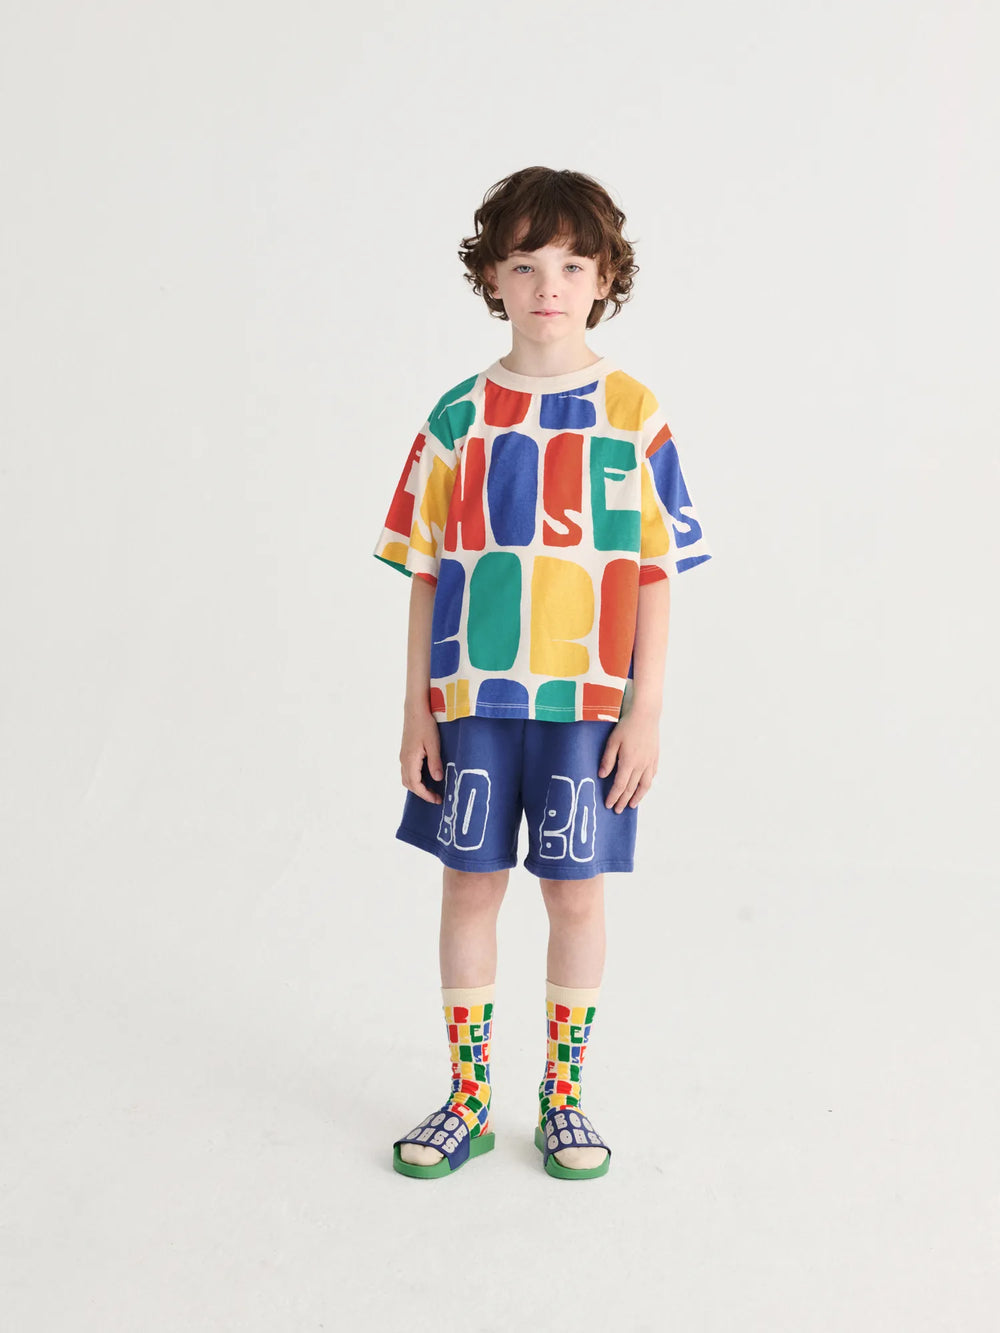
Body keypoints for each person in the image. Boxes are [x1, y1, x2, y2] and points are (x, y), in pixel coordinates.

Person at [372, 166, 712, 1180]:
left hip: (587, 708)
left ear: (605, 278)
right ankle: (467, 1098)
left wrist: (646, 710)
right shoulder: (457, 417)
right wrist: (416, 709)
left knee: (575, 896)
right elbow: (425, 572)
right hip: (471, 703)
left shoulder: (633, 412)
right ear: (492, 277)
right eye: (524, 265)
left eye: (570, 264)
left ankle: (562, 1096)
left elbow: (654, 572)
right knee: (469, 887)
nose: (547, 285)